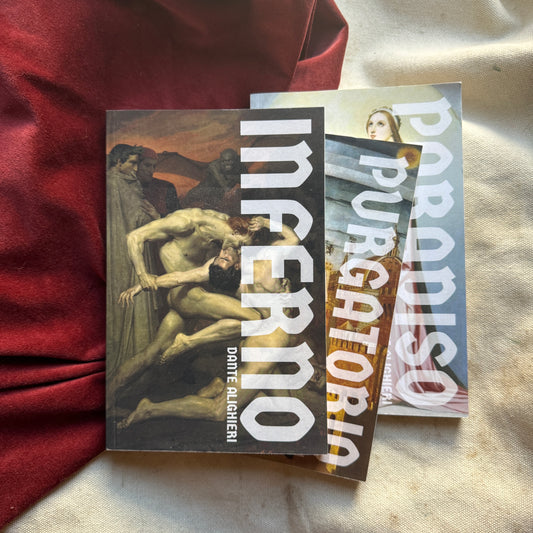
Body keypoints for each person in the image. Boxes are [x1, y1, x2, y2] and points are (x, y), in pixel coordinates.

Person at [117, 216, 301, 428]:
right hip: (268, 342)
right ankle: (150, 409)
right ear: (237, 265)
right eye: (224, 255)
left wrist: (145, 283)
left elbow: (179, 278)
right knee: (219, 411)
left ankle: (219, 386)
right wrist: (266, 223)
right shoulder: (262, 261)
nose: (224, 252)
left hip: (264, 335)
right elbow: (292, 238)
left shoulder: (245, 263)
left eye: (226, 253)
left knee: (284, 407)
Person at [106, 208, 258, 402]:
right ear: (235, 233)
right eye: (240, 246)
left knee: (151, 353)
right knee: (256, 319)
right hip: (187, 297)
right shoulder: (185, 223)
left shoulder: (223, 224)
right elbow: (133, 237)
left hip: (188, 295)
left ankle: (107, 398)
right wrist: (142, 276)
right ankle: (196, 351)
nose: (240, 252)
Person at [106, 144, 161, 375]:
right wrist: (156, 217)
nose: (136, 168)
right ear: (118, 162)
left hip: (116, 250)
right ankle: (134, 360)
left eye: (138, 163)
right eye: (132, 163)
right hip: (131, 250)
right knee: (135, 297)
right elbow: (140, 221)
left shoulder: (109, 182)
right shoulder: (122, 183)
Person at [182, 148, 246, 213]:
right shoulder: (214, 166)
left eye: (229, 161)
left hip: (219, 193)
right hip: (207, 188)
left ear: (235, 159)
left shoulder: (240, 164)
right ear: (220, 159)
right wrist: (234, 177)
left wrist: (231, 177)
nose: (227, 164)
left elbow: (246, 181)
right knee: (190, 197)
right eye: (224, 161)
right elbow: (226, 187)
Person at [137, 147, 180, 218]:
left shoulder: (166, 187)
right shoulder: (124, 186)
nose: (151, 170)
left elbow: (178, 216)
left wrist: (158, 216)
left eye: (154, 166)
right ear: (136, 166)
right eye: (147, 165)